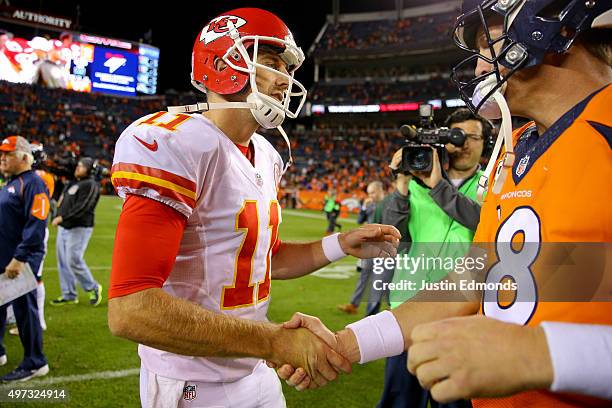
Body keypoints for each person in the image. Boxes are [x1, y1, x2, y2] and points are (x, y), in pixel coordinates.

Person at [275, 0, 612, 405]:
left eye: (489, 45)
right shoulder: (521, 146)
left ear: (552, 28)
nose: (478, 68)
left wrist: (543, 354)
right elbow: (471, 281)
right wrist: (347, 343)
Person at [106, 8, 400, 408]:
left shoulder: (265, 154)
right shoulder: (175, 142)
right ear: (223, 61)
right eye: (271, 63)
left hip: (253, 367)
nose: (286, 80)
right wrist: (276, 341)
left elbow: (264, 258)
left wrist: (340, 244)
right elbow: (131, 308)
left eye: (287, 68)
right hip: (194, 384)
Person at [377, 109, 492, 408]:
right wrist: (401, 189)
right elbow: (394, 236)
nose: (463, 143)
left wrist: (437, 186)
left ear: (485, 143)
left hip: (459, 311)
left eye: (472, 137)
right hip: (409, 306)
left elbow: (481, 220)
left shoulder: (491, 185)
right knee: (400, 400)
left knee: (453, 401)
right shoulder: (416, 183)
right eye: (456, 136)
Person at [0, 135, 49, 381]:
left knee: (24, 310)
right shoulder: (12, 182)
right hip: (5, 257)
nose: (2, 158)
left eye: (7, 154)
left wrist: (19, 258)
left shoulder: (32, 183)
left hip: (20, 260)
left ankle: (35, 361)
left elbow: (37, 223)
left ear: (23, 156)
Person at [50, 157, 102, 306]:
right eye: (78, 165)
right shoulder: (74, 182)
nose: (78, 168)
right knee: (63, 262)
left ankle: (93, 287)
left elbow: (83, 207)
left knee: (73, 260)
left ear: (89, 169)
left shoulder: (90, 185)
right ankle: (69, 295)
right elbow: (63, 200)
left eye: (82, 166)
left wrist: (62, 217)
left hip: (79, 227)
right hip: (64, 227)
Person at [338, 181, 387, 315]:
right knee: (364, 276)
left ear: (380, 191)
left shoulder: (388, 205)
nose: (370, 195)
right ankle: (353, 304)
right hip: (369, 246)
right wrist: (364, 209)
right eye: (369, 193)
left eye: (372, 192)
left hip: (383, 248)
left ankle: (374, 313)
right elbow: (359, 221)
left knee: (379, 280)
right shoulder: (370, 205)